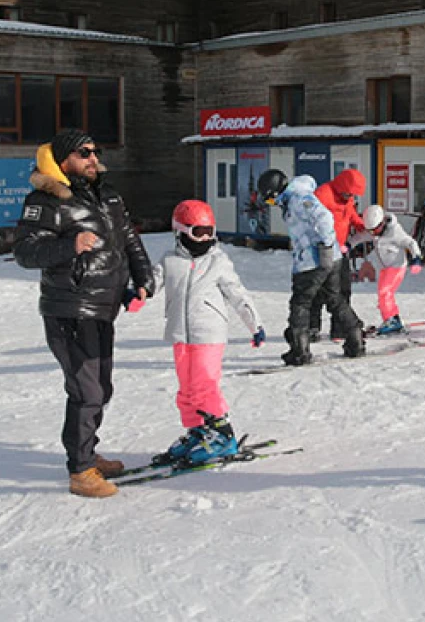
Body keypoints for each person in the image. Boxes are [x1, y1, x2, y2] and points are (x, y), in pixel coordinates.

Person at [14, 129, 155, 498]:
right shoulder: (45, 201)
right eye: (83, 153)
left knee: (101, 387)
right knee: (86, 390)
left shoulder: (107, 195)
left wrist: (143, 276)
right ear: (63, 161)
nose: (93, 159)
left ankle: (87, 453)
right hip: (69, 308)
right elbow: (26, 253)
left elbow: (128, 239)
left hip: (103, 307)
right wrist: (68, 245)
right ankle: (79, 471)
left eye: (95, 151)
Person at [150, 200, 265, 466]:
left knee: (204, 385)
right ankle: (199, 431)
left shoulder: (218, 262)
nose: (204, 239)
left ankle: (223, 435)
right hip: (180, 334)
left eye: (209, 232)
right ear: (180, 231)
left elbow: (238, 295)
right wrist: (136, 294)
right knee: (187, 390)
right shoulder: (170, 261)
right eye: (198, 233)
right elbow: (151, 283)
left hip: (209, 333)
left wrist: (254, 324)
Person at [256, 169, 365, 365]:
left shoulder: (298, 199)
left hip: (312, 261)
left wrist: (325, 245)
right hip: (329, 258)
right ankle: (355, 340)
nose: (272, 204)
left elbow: (324, 217)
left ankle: (300, 351)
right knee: (334, 299)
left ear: (276, 192)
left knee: (301, 303)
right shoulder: (295, 197)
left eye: (271, 200)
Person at [309, 168, 367, 340]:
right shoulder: (322, 195)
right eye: (349, 193)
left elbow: (351, 216)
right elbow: (310, 220)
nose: (351, 197)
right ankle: (312, 328)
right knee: (318, 290)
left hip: (340, 251)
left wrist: (364, 226)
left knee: (343, 291)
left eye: (353, 195)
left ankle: (339, 329)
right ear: (342, 186)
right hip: (321, 251)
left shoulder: (347, 198)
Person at [351, 205, 423, 335]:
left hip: (396, 266)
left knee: (385, 292)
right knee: (383, 294)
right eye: (370, 231)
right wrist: (348, 245)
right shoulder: (373, 231)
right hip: (384, 267)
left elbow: (410, 243)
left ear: (382, 222)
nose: (373, 233)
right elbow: (360, 237)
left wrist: (416, 258)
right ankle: (392, 318)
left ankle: (391, 321)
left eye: (375, 230)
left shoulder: (395, 232)